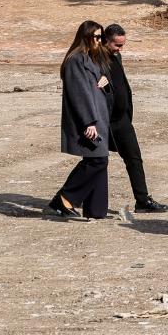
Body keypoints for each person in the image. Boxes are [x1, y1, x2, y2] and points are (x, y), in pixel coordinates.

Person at [47, 20, 112, 221]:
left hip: (98, 118)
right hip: (89, 119)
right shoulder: (76, 60)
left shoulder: (91, 59)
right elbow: (79, 94)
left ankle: (96, 210)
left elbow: (96, 87)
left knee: (97, 159)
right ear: (85, 37)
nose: (100, 41)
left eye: (101, 37)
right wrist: (88, 122)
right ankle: (65, 197)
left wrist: (105, 81)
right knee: (97, 160)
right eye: (97, 37)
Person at [100, 24, 167, 214]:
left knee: (134, 159)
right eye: (116, 45)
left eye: (122, 45)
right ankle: (68, 198)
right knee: (95, 163)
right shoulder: (96, 59)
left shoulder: (116, 56)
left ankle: (142, 200)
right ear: (106, 40)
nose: (120, 49)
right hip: (106, 121)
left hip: (122, 119)